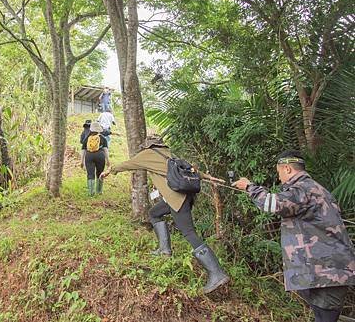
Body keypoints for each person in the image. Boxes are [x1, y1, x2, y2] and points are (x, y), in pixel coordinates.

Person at [232, 150, 355, 322]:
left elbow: (271, 204)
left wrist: (248, 186)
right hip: (326, 273)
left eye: (279, 172)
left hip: (327, 274)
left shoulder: (303, 189)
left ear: (287, 169)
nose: (280, 178)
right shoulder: (316, 189)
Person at [100, 135, 230, 294]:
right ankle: (164, 250)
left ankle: (217, 273)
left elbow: (128, 164)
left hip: (176, 199)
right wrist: (209, 177)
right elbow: (191, 169)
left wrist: (110, 171)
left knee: (189, 233)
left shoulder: (146, 155)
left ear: (147, 146)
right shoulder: (169, 153)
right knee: (154, 213)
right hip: (183, 196)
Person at [81, 122, 110, 196]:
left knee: (90, 174)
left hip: (89, 156)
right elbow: (106, 150)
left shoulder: (87, 138)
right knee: (100, 173)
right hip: (100, 155)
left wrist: (82, 161)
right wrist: (108, 160)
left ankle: (91, 193)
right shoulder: (102, 138)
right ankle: (99, 191)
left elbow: (83, 150)